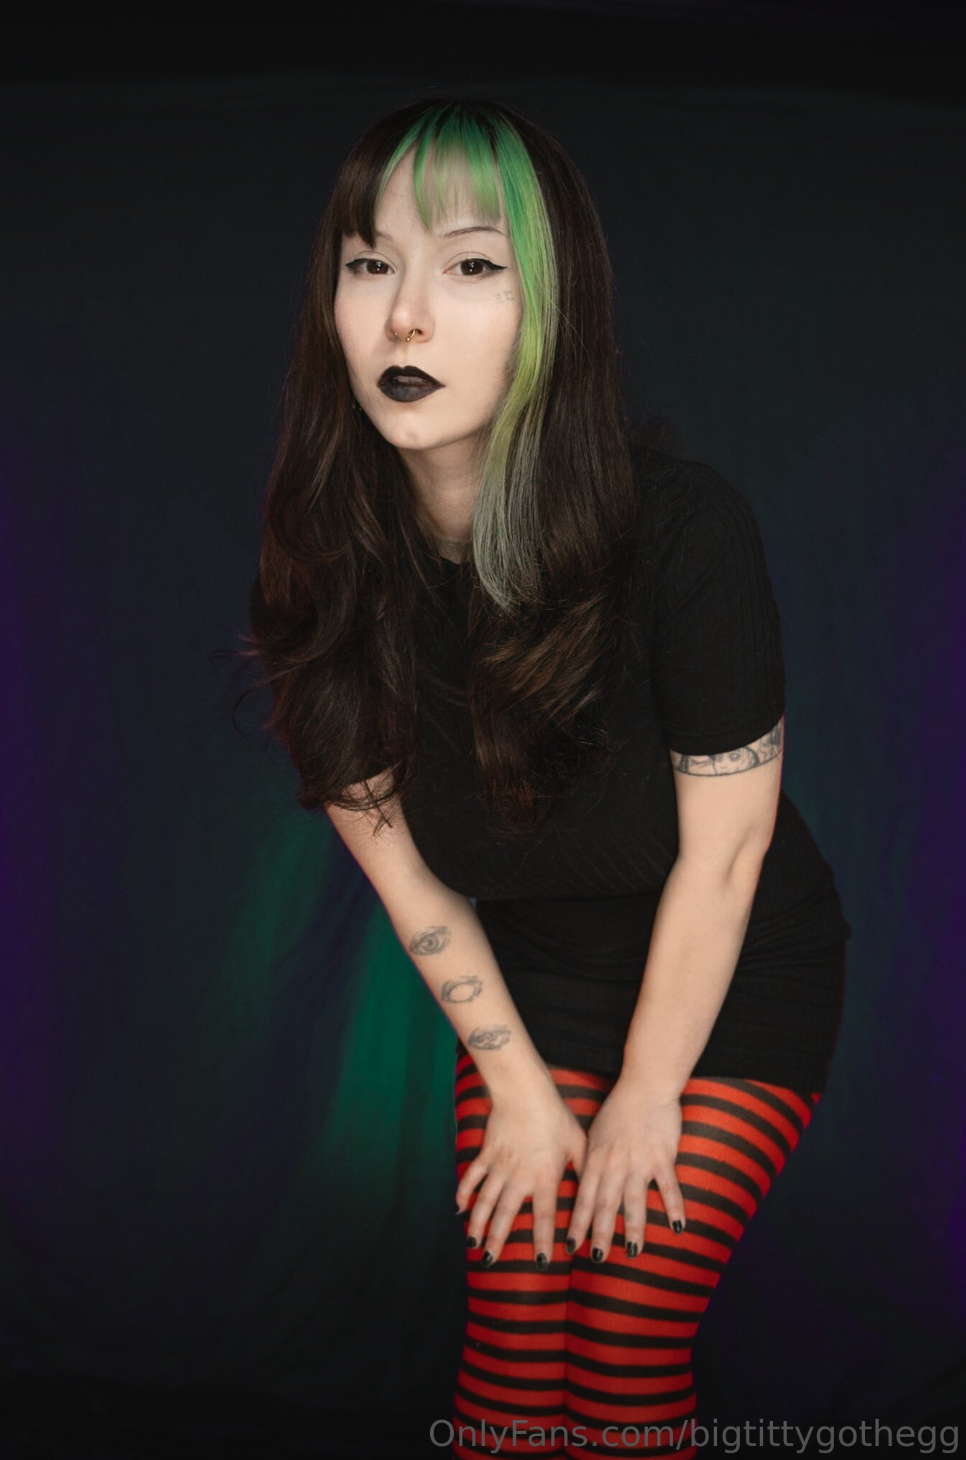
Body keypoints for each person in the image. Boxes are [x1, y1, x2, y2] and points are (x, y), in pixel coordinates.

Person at [244, 96, 851, 1459]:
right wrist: (518, 1087)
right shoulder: (326, 574)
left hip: (734, 976)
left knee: (624, 1327)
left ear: (551, 309)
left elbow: (728, 852)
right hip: (532, 994)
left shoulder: (681, 531)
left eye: (470, 264)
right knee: (515, 1339)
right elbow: (411, 886)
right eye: (369, 263)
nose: (405, 318)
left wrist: (647, 1092)